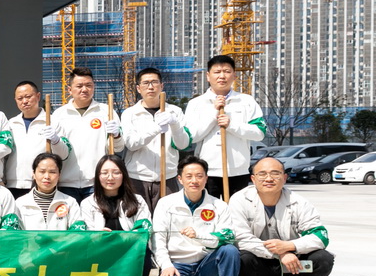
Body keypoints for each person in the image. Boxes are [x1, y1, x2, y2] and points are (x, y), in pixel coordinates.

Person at [229, 157, 334, 276]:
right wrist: (280, 253)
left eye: (275, 173)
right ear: (253, 179)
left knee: (323, 258)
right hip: (257, 267)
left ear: (284, 177)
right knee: (239, 257)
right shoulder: (239, 200)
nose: (269, 178)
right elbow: (241, 239)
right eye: (262, 174)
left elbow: (320, 236)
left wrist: (291, 246)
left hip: (292, 266)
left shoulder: (299, 202)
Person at [152, 156, 245, 276]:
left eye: (199, 176)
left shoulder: (219, 205)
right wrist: (166, 265)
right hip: (177, 264)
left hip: (206, 264)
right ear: (180, 179)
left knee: (230, 251)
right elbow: (157, 239)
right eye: (189, 176)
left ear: (206, 178)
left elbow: (227, 237)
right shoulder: (165, 203)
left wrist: (199, 235)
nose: (194, 181)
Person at [71, 155, 154, 276]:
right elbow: (85, 232)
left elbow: (144, 227)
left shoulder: (137, 201)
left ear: (124, 175)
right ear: (98, 176)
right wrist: (97, 234)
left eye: (116, 172)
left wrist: (126, 239)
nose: (110, 177)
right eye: (105, 173)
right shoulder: (88, 203)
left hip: (128, 251)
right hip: (100, 251)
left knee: (143, 250)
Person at [185, 55, 267, 199]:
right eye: (217, 72)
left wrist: (232, 125)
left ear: (234, 76)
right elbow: (191, 137)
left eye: (227, 71)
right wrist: (213, 114)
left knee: (237, 210)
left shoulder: (246, 101)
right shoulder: (196, 103)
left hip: (238, 171)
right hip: (207, 170)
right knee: (209, 210)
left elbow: (259, 133)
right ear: (208, 76)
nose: (222, 76)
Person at [121, 67, 192, 209]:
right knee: (139, 218)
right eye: (146, 83)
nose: (150, 87)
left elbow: (183, 145)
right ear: (138, 88)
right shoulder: (130, 113)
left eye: (154, 82)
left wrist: (175, 124)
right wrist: (155, 128)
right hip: (137, 178)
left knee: (168, 218)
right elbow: (131, 144)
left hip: (167, 177)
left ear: (161, 86)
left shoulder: (175, 112)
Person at [52, 67, 120, 201]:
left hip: (97, 182)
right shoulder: (59, 114)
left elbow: (118, 148)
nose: (84, 89)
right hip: (66, 183)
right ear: (69, 90)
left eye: (89, 85)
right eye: (79, 86)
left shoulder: (106, 111)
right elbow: (57, 152)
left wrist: (117, 135)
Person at [2, 80, 68, 198]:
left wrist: (55, 140)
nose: (24, 101)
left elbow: (64, 154)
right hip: (13, 184)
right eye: (20, 98)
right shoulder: (11, 123)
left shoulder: (52, 122)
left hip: (42, 184)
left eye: (28, 96)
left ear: (38, 96)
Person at [14, 152, 80, 230]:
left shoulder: (70, 202)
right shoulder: (20, 203)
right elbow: (15, 233)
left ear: (59, 175)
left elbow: (77, 232)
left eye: (52, 172)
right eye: (42, 171)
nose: (47, 176)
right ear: (34, 174)